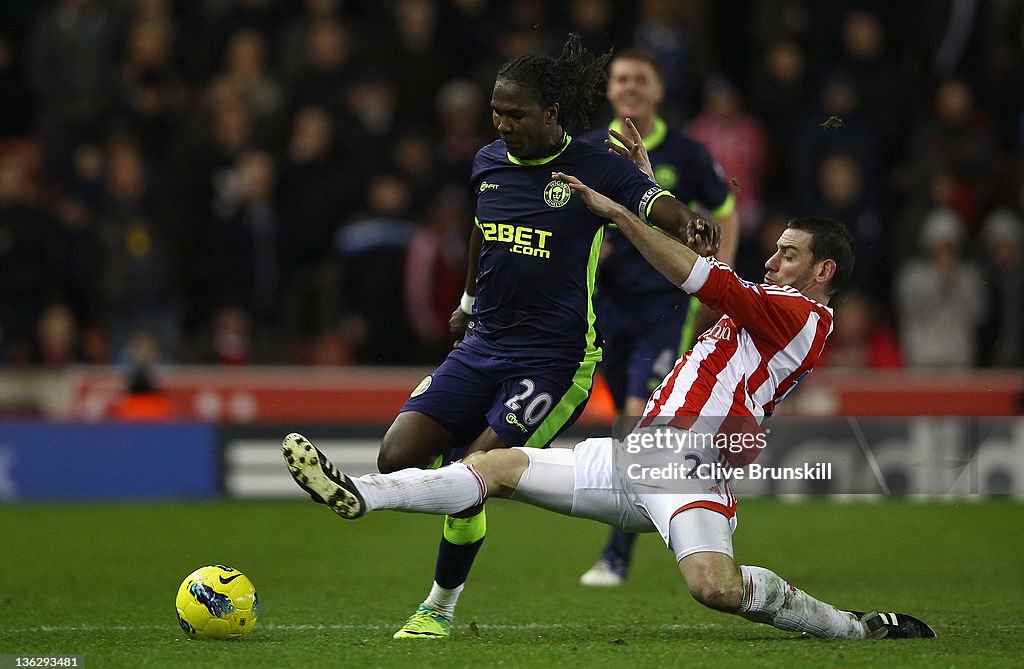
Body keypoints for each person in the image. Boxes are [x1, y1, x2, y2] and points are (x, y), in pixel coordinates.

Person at [282, 171, 935, 641]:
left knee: (715, 587)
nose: (774, 258)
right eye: (775, 248)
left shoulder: (804, 318)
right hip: (639, 453)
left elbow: (697, 275)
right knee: (498, 467)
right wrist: (649, 191)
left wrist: (621, 210)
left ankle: (852, 627)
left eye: (789, 253)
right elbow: (708, 272)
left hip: (691, 469)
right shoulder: (769, 309)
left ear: (823, 272)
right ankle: (363, 494)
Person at [342, 34, 710, 639]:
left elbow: (656, 204)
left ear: (552, 114)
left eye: (516, 114)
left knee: (476, 469)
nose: (503, 124)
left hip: (555, 360)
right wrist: (465, 300)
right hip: (484, 341)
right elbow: (481, 231)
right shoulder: (488, 162)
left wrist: (689, 222)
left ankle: (436, 605)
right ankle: (437, 487)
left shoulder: (593, 168)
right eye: (497, 111)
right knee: (397, 454)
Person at [577, 47, 740, 587]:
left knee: (635, 419)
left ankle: (617, 555)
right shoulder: (588, 151)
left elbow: (723, 210)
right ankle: (673, 515)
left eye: (640, 80)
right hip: (606, 306)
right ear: (608, 89)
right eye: (621, 79)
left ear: (658, 90)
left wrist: (719, 280)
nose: (630, 88)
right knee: (628, 424)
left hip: (666, 305)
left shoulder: (688, 152)